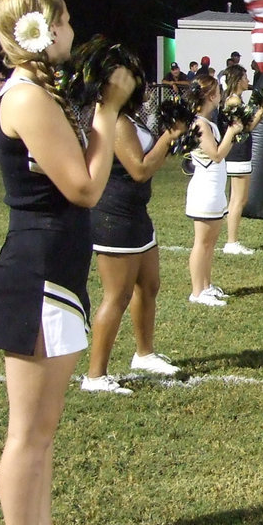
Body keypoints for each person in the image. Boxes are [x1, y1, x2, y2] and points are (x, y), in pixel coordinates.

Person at [0, 0, 136, 525]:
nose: (74, 31)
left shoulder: (39, 92)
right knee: (27, 432)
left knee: (42, 430)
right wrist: (107, 112)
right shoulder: (26, 97)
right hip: (35, 275)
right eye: (66, 20)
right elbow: (85, 188)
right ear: (40, 30)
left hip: (53, 273)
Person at [81, 82, 188, 395]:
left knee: (149, 285)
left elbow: (148, 162)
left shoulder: (131, 118)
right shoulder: (114, 121)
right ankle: (95, 376)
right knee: (117, 295)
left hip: (136, 213)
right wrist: (170, 136)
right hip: (114, 216)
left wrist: (172, 140)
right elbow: (139, 169)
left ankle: (144, 354)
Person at [184, 75, 242, 306]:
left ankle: (206, 286)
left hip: (214, 189)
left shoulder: (207, 122)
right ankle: (197, 291)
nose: (221, 95)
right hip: (204, 190)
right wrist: (232, 131)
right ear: (211, 96)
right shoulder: (199, 123)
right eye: (219, 91)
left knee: (210, 243)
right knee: (202, 242)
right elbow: (215, 155)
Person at [219, 64, 263, 255]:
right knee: (238, 199)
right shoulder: (232, 101)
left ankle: (233, 240)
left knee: (240, 198)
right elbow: (245, 127)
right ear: (238, 80)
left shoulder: (236, 99)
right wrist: (262, 111)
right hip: (237, 152)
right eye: (245, 77)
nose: (248, 81)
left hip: (241, 151)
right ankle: (231, 242)